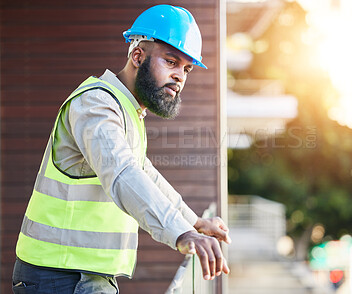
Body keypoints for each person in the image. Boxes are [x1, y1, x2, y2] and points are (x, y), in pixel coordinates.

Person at [12, 4, 230, 293]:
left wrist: (194, 222)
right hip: (60, 276)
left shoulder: (126, 110)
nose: (180, 76)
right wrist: (181, 233)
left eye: (186, 68)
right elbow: (123, 173)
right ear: (138, 56)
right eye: (170, 61)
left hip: (81, 274)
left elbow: (143, 174)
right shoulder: (96, 104)